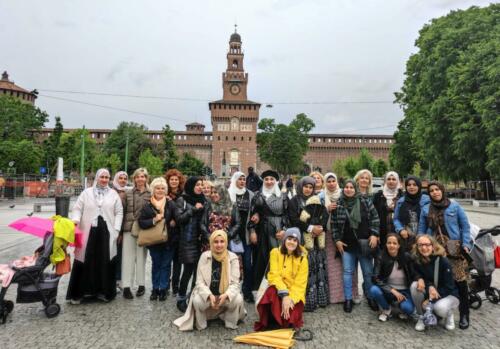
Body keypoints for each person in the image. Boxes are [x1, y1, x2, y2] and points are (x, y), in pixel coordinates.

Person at [418, 181, 472, 330]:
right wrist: (420, 244)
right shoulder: (425, 209)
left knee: (460, 282)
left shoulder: (454, 206)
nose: (435, 192)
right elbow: (421, 230)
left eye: (437, 189)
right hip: (434, 249)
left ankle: (464, 315)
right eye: (432, 190)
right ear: (429, 194)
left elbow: (465, 226)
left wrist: (466, 244)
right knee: (437, 279)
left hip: (454, 249)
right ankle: (440, 310)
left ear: (442, 190)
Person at [67, 168, 123, 304]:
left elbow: (119, 212)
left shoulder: (114, 194)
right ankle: (80, 293)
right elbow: (77, 209)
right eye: (102, 177)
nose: (104, 180)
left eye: (107, 177)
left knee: (104, 260)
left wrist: (116, 229)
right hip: (88, 231)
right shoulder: (86, 193)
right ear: (97, 178)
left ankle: (104, 292)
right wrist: (75, 221)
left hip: (106, 232)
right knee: (85, 259)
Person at [173, 230, 245, 331]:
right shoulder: (204, 256)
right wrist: (209, 295)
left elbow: (235, 284)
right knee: (197, 300)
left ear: (226, 242)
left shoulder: (233, 258)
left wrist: (226, 295)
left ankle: (229, 321)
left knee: (237, 299)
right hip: (209, 296)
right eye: (216, 242)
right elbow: (199, 282)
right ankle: (201, 323)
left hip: (224, 296)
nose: (219, 245)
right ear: (211, 242)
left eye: (222, 241)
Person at [332, 180, 380, 313]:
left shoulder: (365, 201)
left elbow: (375, 218)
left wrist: (375, 234)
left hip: (365, 244)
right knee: (347, 273)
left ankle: (370, 297)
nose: (348, 189)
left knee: (368, 273)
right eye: (346, 187)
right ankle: (348, 299)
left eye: (351, 187)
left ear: (355, 189)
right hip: (347, 245)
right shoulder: (339, 204)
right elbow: (334, 224)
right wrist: (337, 240)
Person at [254, 228, 308, 331]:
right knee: (271, 291)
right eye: (289, 238)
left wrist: (290, 299)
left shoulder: (303, 260)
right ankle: (271, 320)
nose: (292, 242)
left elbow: (300, 284)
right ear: (284, 240)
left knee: (291, 315)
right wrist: (284, 295)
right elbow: (274, 275)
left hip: (294, 294)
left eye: (295, 240)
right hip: (279, 290)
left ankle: (283, 321)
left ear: (298, 243)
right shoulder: (275, 252)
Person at [289, 177, 329, 311]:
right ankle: (304, 300)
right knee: (304, 270)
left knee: (318, 268)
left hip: (317, 242)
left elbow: (324, 215)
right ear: (301, 186)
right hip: (301, 240)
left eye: (310, 187)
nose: (308, 189)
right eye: (306, 186)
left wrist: (320, 229)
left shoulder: (317, 199)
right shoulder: (295, 201)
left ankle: (319, 299)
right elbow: (293, 219)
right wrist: (310, 228)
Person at [319, 173, 360, 304]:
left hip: (344, 236)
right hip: (329, 234)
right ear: (325, 183)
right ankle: (336, 296)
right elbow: (315, 215)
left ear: (337, 182)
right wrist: (326, 209)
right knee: (333, 267)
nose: (331, 183)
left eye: (333, 181)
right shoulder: (320, 196)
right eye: (328, 181)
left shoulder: (343, 195)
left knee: (348, 266)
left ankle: (352, 294)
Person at [175, 176, 212, 312]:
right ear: (191, 186)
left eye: (201, 185)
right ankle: (181, 298)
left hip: (201, 240)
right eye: (197, 185)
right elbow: (179, 219)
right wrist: (193, 210)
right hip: (187, 240)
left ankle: (194, 296)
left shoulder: (205, 200)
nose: (200, 187)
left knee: (199, 272)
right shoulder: (182, 200)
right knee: (188, 271)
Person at [249, 170, 290, 290]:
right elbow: (252, 214)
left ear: (276, 181)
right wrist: (252, 231)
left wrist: (285, 230)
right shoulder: (257, 195)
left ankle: (278, 288)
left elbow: (288, 215)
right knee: (260, 259)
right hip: (261, 230)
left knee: (277, 260)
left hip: (277, 231)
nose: (269, 182)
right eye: (266, 179)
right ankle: (260, 290)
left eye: (271, 179)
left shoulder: (283, 196)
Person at [137, 177, 176, 301]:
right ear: (153, 190)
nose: (160, 190)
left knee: (166, 265)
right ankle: (155, 289)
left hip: (168, 240)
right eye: (157, 188)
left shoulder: (171, 204)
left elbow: (178, 219)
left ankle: (163, 289)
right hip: (154, 241)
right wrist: (154, 220)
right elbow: (141, 222)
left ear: (166, 190)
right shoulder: (147, 205)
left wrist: (174, 221)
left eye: (162, 188)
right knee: (156, 265)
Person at [411, 234, 459, 331]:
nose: (424, 248)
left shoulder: (443, 261)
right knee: (414, 286)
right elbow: (416, 273)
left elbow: (449, 287)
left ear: (433, 246)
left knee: (439, 308)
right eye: (420, 245)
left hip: (449, 294)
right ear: (417, 246)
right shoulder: (418, 259)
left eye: (427, 245)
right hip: (432, 290)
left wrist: (430, 300)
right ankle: (422, 316)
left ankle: (449, 314)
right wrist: (421, 279)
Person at [369, 233, 416, 322]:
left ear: (399, 245)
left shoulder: (406, 257)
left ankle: (400, 306)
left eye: (394, 243)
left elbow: (414, 273)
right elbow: (375, 277)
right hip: (389, 290)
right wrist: (392, 290)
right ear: (386, 244)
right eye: (389, 243)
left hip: (404, 291)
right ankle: (386, 309)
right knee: (374, 290)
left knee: (408, 309)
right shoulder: (380, 257)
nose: (391, 245)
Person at [121, 168, 150, 299]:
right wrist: (120, 231)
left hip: (144, 230)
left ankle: (141, 285)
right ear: (134, 179)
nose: (140, 179)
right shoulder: (127, 193)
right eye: (138, 177)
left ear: (146, 178)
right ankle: (126, 286)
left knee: (141, 257)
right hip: (128, 228)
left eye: (143, 176)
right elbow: (122, 212)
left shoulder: (151, 193)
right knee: (127, 258)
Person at [228, 171, 256, 303]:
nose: (242, 181)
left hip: (245, 233)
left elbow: (255, 213)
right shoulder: (228, 194)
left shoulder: (250, 194)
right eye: (239, 179)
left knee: (247, 264)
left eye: (244, 179)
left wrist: (252, 231)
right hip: (231, 234)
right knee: (232, 264)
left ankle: (247, 290)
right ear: (234, 180)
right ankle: (231, 291)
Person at [393, 176, 430, 252]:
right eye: (409, 185)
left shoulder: (427, 200)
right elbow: (396, 219)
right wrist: (400, 230)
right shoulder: (401, 201)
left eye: (414, 185)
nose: (411, 187)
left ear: (419, 186)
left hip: (425, 237)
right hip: (407, 238)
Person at [165, 169, 185, 296]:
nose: (174, 181)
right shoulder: (163, 192)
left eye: (176, 179)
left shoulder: (183, 195)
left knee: (177, 262)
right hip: (166, 231)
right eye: (171, 179)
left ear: (179, 181)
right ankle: (166, 285)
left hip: (179, 231)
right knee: (167, 260)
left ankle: (176, 286)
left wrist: (176, 221)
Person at [373, 171, 403, 246]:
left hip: (399, 233)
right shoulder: (378, 195)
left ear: (397, 181)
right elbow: (373, 216)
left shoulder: (402, 196)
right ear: (385, 181)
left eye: (394, 179)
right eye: (388, 179)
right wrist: (375, 233)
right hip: (382, 233)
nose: (391, 181)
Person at [112, 170, 128, 292]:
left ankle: (118, 280)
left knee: (120, 256)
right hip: (110, 227)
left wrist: (121, 232)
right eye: (120, 178)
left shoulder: (127, 192)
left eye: (125, 178)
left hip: (121, 228)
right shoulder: (111, 192)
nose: (123, 180)